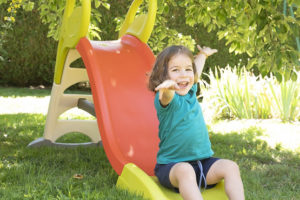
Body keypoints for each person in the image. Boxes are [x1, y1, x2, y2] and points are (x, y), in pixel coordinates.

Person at [148, 45, 245, 200]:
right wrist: (166, 89)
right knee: (186, 170)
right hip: (172, 167)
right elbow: (166, 98)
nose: (183, 75)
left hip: (202, 165)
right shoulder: (168, 100)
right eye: (175, 70)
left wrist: (203, 55)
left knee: (231, 167)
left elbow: (196, 70)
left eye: (187, 69)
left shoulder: (191, 90)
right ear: (163, 75)